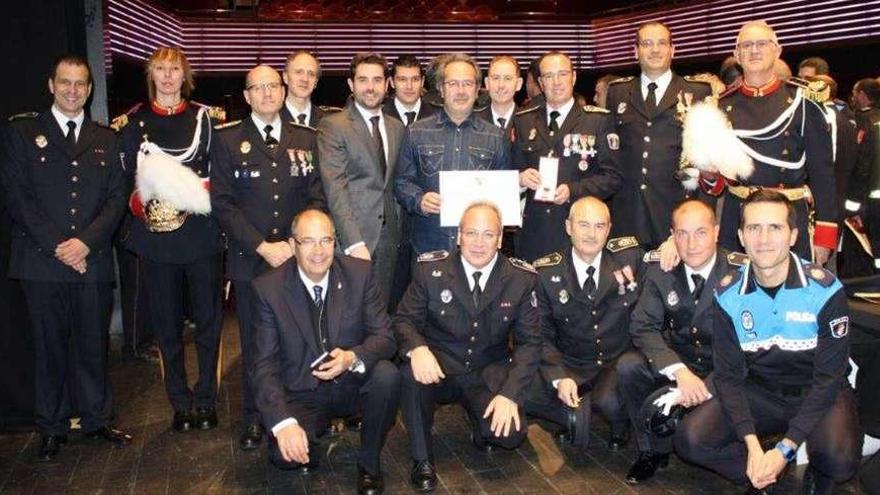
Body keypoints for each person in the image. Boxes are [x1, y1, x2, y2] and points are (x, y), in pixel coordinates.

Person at [675, 190, 862, 495]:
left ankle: (818, 472)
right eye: (753, 228)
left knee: (839, 462)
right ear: (741, 236)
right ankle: (761, 474)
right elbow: (729, 377)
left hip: (817, 391)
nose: (763, 239)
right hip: (760, 391)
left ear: (793, 235)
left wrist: (785, 448)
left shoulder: (825, 291)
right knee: (690, 440)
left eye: (775, 227)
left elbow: (829, 379)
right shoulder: (727, 295)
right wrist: (753, 447)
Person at [1, 55, 131, 460]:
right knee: (49, 347)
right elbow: (16, 197)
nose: (73, 90)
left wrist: (85, 244)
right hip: (41, 262)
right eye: (65, 82)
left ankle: (96, 420)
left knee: (94, 345)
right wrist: (60, 245)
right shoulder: (23, 132)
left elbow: (115, 200)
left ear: (90, 90)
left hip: (90, 261)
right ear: (51, 85)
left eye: (80, 84)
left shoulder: (106, 138)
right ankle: (52, 427)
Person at [211, 64, 325, 451]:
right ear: (246, 96)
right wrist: (263, 245)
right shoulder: (227, 140)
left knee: (303, 337)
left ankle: (304, 408)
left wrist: (297, 243)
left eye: (272, 86)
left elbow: (316, 195)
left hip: (299, 257)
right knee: (255, 343)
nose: (266, 94)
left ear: (283, 89)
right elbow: (223, 205)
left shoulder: (306, 138)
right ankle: (254, 417)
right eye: (257, 88)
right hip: (251, 259)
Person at [113, 46, 225, 434]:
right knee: (167, 326)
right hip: (157, 239)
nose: (167, 77)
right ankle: (179, 401)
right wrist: (145, 207)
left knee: (210, 324)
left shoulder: (205, 120)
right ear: (151, 75)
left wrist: (187, 196)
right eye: (159, 69)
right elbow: (126, 182)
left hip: (201, 235)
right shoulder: (133, 124)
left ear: (184, 75)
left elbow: (217, 174)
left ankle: (207, 398)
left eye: (174, 70)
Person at [394, 202, 541, 492]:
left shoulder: (521, 279)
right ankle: (422, 458)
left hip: (486, 373)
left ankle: (480, 424)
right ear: (458, 235)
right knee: (409, 374)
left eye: (488, 235)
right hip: (440, 368)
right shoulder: (430, 271)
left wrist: (510, 395)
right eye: (471, 233)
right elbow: (402, 321)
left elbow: (530, 343)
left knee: (509, 436)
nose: (478, 242)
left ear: (500, 239)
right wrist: (417, 349)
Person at [250, 209, 399, 495]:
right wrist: (284, 423)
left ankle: (369, 464)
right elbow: (263, 365)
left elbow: (386, 337)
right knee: (285, 458)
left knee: (387, 375)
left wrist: (351, 357)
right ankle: (309, 436)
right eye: (308, 241)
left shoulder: (360, 273)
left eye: (326, 240)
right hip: (302, 391)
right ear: (293, 245)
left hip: (351, 383)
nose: (318, 251)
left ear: (335, 242)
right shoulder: (268, 289)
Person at [616, 199, 745, 483]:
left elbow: (747, 347)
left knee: (695, 437)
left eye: (700, 232)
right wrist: (679, 371)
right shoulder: (662, 270)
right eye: (682, 234)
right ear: (672, 236)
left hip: (723, 370)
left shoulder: (740, 273)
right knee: (628, 366)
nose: (691, 243)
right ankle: (651, 450)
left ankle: (746, 457)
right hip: (681, 361)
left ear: (716, 231)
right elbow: (642, 325)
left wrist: (706, 383)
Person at [696, 20, 838, 265]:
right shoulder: (719, 106)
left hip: (787, 217)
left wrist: (824, 236)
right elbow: (716, 184)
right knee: (736, 293)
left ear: (777, 50)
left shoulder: (802, 102)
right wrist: (708, 175)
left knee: (791, 297)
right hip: (737, 217)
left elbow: (823, 174)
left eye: (762, 44)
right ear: (736, 54)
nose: (754, 50)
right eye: (747, 45)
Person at [527, 196, 643, 453]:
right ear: (568, 227)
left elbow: (672, 257)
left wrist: (671, 246)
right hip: (571, 363)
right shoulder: (546, 272)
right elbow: (541, 334)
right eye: (583, 225)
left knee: (610, 403)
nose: (591, 234)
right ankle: (574, 409)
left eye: (599, 226)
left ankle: (605, 413)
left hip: (613, 363)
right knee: (524, 389)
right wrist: (559, 376)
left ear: (609, 229)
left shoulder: (630, 257)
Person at [606, 21, 714, 249]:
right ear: (635, 51)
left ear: (672, 50)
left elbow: (707, 160)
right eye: (647, 43)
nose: (654, 50)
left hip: (676, 210)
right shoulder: (617, 92)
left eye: (661, 43)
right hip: (628, 212)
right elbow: (611, 153)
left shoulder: (697, 92)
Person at [395, 52, 511, 255]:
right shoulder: (416, 132)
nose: (460, 91)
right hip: (428, 245)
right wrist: (419, 199)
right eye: (453, 84)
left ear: (477, 90)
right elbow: (401, 182)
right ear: (441, 88)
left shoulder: (495, 137)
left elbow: (503, 195)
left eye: (467, 83)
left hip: (477, 251)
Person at [513, 50, 623, 262]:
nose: (556, 82)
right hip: (534, 233)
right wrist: (521, 179)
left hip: (578, 232)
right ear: (541, 82)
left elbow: (613, 177)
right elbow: (513, 169)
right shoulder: (524, 120)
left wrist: (573, 190)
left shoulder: (597, 121)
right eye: (548, 76)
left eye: (562, 74)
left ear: (573, 77)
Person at [318, 52, 406, 307]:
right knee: (349, 314)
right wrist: (354, 242)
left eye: (377, 80)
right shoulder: (333, 126)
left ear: (387, 84)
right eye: (363, 80)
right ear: (351, 84)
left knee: (381, 313)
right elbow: (335, 189)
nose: (370, 87)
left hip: (390, 239)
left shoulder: (396, 128)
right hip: (353, 239)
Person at [280, 50, 339, 126]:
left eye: (311, 74)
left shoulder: (330, 121)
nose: (305, 79)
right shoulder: (272, 117)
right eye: (299, 72)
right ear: (285, 77)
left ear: (316, 82)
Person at [383, 55, 436, 127]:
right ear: (392, 82)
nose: (409, 87)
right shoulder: (379, 116)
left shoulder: (438, 115)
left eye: (415, 79)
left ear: (422, 81)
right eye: (402, 79)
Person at [476, 55, 523, 134]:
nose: (501, 85)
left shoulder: (530, 122)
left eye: (507, 78)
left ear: (518, 84)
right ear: (487, 83)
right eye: (496, 78)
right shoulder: (473, 120)